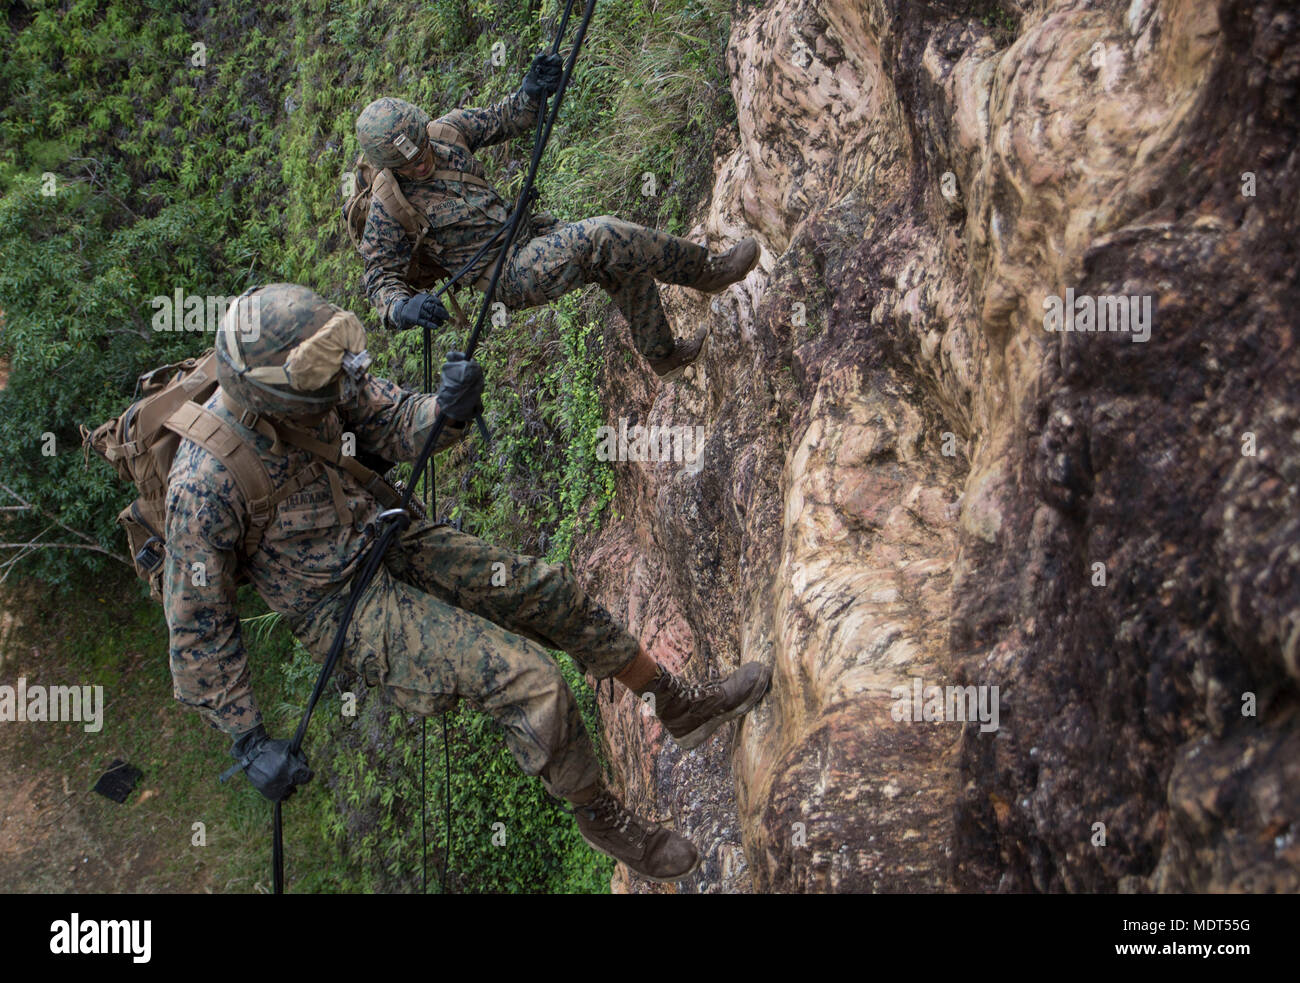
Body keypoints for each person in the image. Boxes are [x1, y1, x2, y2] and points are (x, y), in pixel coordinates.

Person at [164, 283, 771, 883]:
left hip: (386, 534)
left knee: (547, 591)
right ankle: (599, 814)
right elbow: (198, 627)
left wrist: (446, 408)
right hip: (334, 605)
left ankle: (676, 703)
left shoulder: (323, 378)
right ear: (271, 394)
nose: (338, 385)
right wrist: (247, 740)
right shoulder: (204, 483)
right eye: (321, 382)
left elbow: (397, 422)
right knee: (531, 681)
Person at [355, 52, 759, 380]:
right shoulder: (387, 208)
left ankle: (664, 356)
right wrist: (402, 308)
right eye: (408, 165)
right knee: (601, 236)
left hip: (529, 232)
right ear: (389, 168)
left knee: (618, 259)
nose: (421, 163)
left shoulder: (446, 132)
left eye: (422, 149)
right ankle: (709, 272)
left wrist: (531, 91)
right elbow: (379, 279)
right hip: (505, 273)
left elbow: (506, 118)